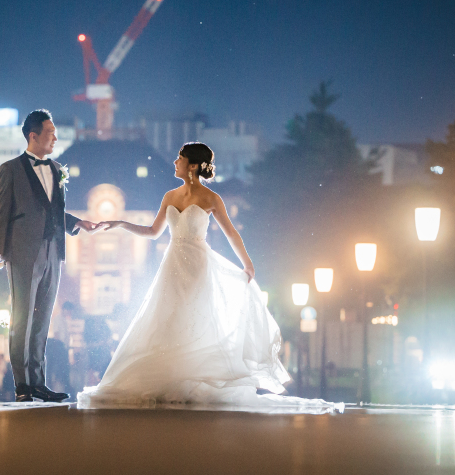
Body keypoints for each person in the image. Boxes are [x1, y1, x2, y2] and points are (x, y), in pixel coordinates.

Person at [77, 142, 343, 413]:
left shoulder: (211, 199)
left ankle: (193, 379)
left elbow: (231, 233)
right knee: (166, 318)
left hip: (198, 265)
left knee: (195, 318)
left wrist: (247, 264)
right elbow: (152, 231)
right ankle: (169, 379)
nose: (175, 162)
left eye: (180, 158)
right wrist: (119, 223)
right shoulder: (169, 196)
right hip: (172, 265)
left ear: (193, 166)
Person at [0, 109, 104, 403]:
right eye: (50, 133)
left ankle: (39, 382)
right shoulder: (10, 169)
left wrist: (76, 223)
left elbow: (54, 212)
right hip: (22, 252)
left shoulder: (56, 169)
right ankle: (22, 385)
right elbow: (2, 214)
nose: (55, 139)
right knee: (21, 319)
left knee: (43, 321)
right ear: (33, 136)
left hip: (54, 252)